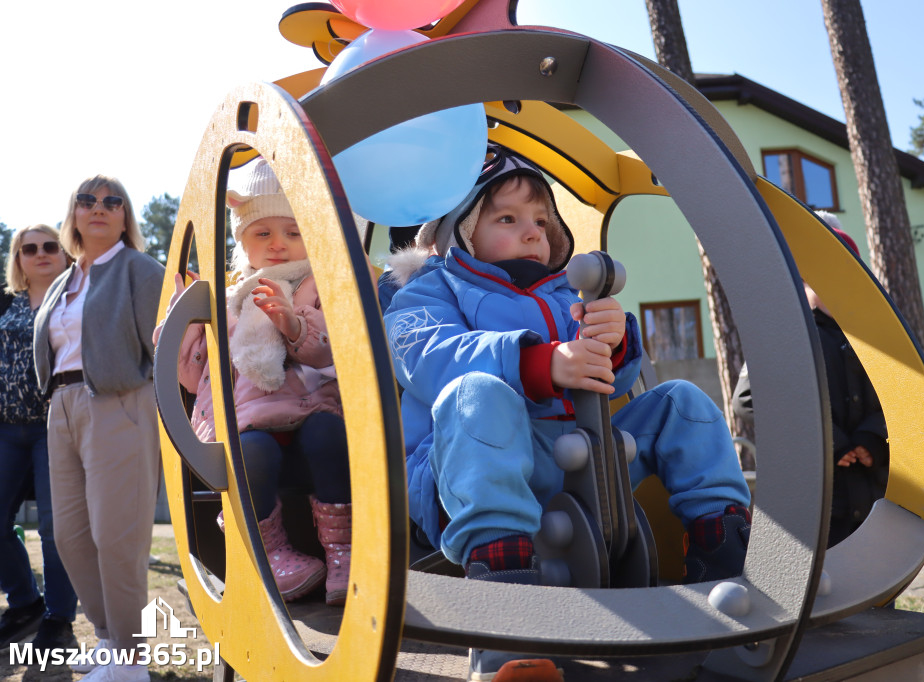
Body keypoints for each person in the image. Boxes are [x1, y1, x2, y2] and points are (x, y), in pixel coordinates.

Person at [382, 145, 752, 680]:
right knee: (478, 394)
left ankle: (725, 561)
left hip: (581, 459)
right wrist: (541, 361)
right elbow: (430, 357)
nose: (532, 232)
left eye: (541, 220)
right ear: (457, 234)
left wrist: (613, 344)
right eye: (507, 219)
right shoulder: (426, 293)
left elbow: (609, 379)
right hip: (467, 471)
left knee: (683, 403)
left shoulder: (566, 294)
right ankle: (506, 613)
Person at [159, 158, 351, 606]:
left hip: (313, 412)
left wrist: (295, 325)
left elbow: (336, 349)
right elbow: (194, 378)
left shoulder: (321, 286)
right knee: (252, 453)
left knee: (328, 434)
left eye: (293, 232)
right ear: (241, 240)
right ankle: (270, 553)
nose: (278, 244)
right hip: (249, 423)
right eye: (263, 233)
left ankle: (344, 549)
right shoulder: (224, 300)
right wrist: (184, 328)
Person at [34, 176, 164, 682]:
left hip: (119, 403)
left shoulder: (139, 269)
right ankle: (110, 640)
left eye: (113, 202)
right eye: (86, 200)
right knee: (69, 535)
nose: (99, 208)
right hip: (61, 406)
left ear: (125, 217)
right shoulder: (65, 280)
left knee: (117, 537)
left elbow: (167, 348)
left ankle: (131, 663)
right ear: (74, 215)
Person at [732, 210, 888, 547]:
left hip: (871, 493)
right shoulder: (787, 332)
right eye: (822, 275)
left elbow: (903, 395)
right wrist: (826, 438)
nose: (835, 285)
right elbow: (748, 400)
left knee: (870, 565)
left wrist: (873, 438)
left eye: (844, 275)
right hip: (812, 495)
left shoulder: (875, 333)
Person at [0, 225, 78, 655]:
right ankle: (25, 603)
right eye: (29, 248)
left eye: (51, 246)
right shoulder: (4, 302)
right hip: (6, 429)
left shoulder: (74, 300)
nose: (41, 253)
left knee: (55, 527)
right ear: (18, 260)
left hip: (56, 428)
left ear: (65, 255)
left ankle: (58, 619)